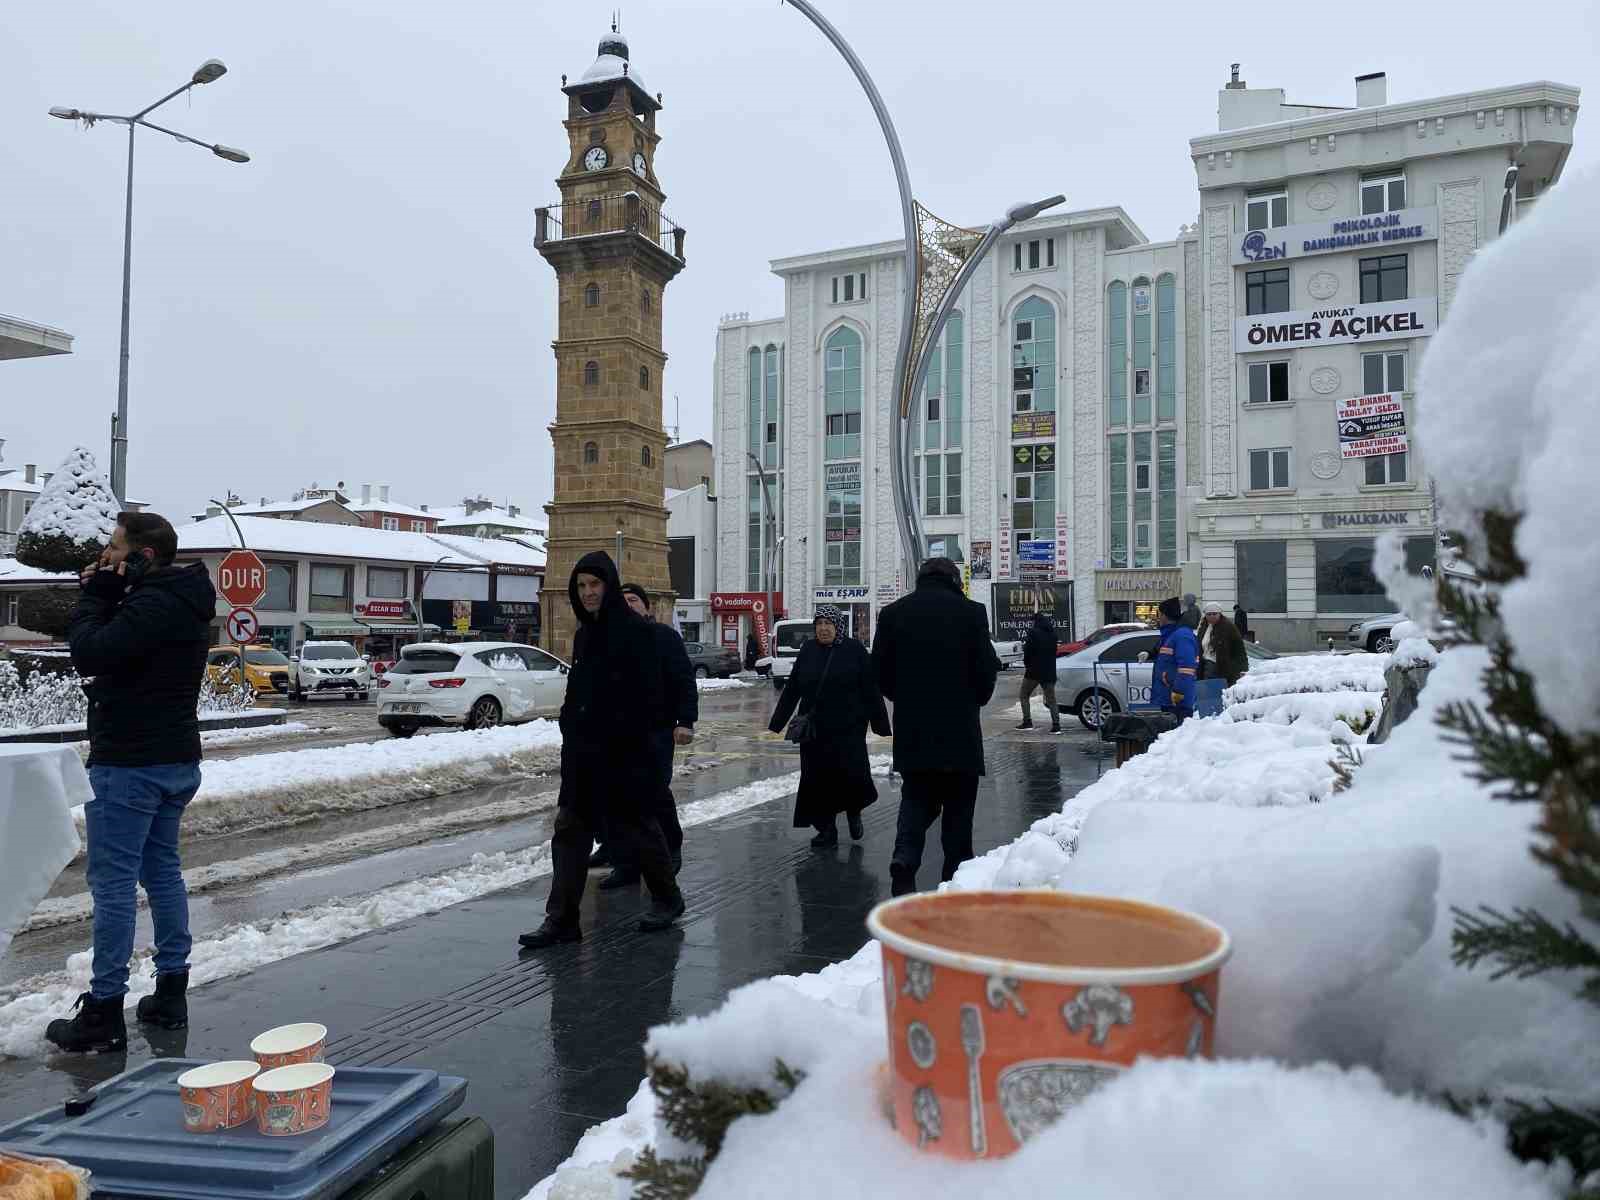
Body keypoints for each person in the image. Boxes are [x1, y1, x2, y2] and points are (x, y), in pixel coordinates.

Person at [46, 513, 216, 1052]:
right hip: (173, 758)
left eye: (115, 547)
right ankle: (170, 991)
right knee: (162, 870)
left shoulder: (152, 603)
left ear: (143, 554)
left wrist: (96, 595)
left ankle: (102, 1010)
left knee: (114, 883)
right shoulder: (178, 597)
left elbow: (90, 652)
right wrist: (111, 591)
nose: (107, 554)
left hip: (130, 762)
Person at [520, 551, 685, 948]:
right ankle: (561, 920)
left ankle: (668, 898)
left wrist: (636, 747)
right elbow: (577, 693)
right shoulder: (584, 634)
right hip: (583, 758)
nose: (588, 592)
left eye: (595, 584)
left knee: (641, 830)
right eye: (581, 586)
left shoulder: (638, 633)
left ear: (609, 585)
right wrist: (570, 727)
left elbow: (651, 700)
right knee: (569, 833)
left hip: (624, 756)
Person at [871, 558, 1000, 896]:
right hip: (960, 730)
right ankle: (953, 878)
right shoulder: (972, 612)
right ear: (954, 580)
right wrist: (974, 699)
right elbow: (987, 670)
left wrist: (905, 699)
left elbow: (880, 672)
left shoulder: (893, 614)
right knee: (958, 809)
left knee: (915, 799)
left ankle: (905, 858)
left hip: (914, 729)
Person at [595, 582, 694, 889]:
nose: (628, 605)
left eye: (633, 599)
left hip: (656, 731)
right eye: (622, 601)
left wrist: (685, 721)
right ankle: (624, 863)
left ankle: (670, 846)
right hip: (615, 734)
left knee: (653, 794)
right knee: (615, 797)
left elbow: (683, 681)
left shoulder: (665, 637)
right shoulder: (609, 639)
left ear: (647, 606)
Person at [769, 605, 890, 846]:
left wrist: (880, 724)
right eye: (819, 624)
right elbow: (793, 688)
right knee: (817, 780)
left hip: (848, 728)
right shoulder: (808, 650)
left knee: (851, 775)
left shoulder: (854, 650)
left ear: (838, 626)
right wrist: (778, 722)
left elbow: (870, 689)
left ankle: (854, 812)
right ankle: (826, 829)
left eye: (828, 624)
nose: (823, 629)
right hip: (814, 730)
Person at [1154, 596, 1200, 723]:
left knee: (1178, 735)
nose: (1159, 618)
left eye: (1160, 614)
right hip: (1171, 697)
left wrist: (1178, 693)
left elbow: (1187, 668)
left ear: (1165, 615)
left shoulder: (1182, 635)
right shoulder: (1173, 634)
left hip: (1178, 701)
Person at [1016, 611, 1061, 733]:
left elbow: (1028, 651)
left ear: (1036, 622)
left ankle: (1027, 721)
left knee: (1024, 695)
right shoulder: (1053, 635)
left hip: (1034, 671)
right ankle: (1056, 725)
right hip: (1049, 671)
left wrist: (1027, 664)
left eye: (1033, 621)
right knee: (1051, 699)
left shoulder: (1033, 633)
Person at [1201, 602, 1250, 688]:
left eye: (1214, 614)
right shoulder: (1204, 626)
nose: (1212, 616)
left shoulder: (1228, 627)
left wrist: (1243, 669)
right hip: (1206, 665)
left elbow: (1239, 649)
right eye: (1209, 614)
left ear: (1220, 614)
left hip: (1222, 667)